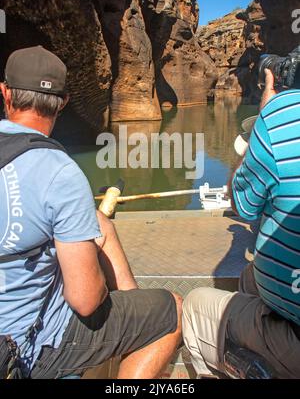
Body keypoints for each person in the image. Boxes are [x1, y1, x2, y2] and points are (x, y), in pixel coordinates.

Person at [0, 46, 182, 379]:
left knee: (97, 222)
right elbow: (86, 299)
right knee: (171, 310)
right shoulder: (59, 172)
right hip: (24, 352)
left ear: (5, 93)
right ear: (64, 101)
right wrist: (92, 260)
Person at [183, 69, 300, 379]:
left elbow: (243, 207)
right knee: (249, 278)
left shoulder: (281, 117)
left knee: (193, 306)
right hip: (284, 297)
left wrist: (264, 121)